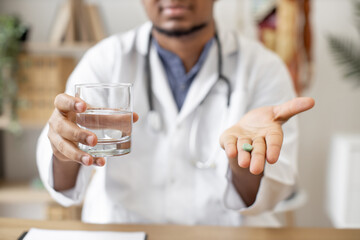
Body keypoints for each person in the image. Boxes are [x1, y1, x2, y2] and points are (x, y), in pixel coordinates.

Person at [37, 0, 314, 226]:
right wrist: (63, 151)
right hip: (124, 229)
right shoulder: (106, 59)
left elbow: (268, 193)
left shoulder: (264, 68)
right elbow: (65, 182)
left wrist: (244, 162)